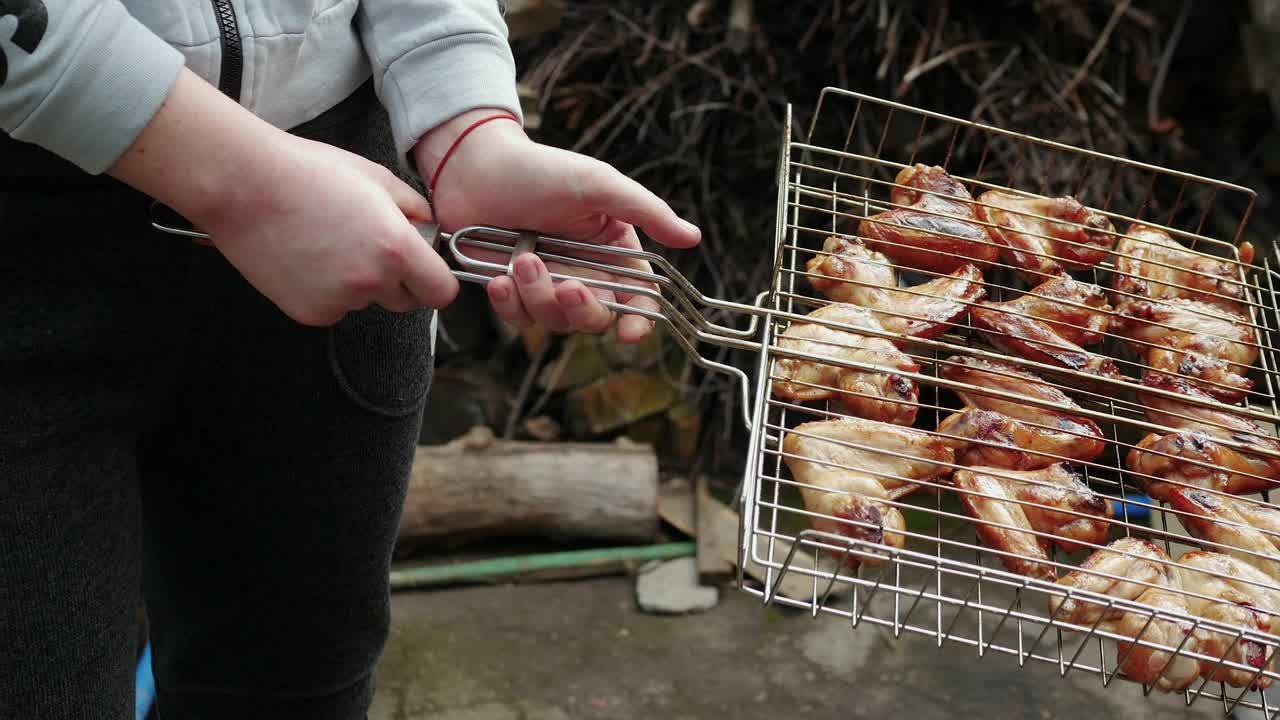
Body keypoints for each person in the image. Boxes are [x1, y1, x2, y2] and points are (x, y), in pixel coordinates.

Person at [0, 1, 700, 718]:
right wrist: (242, 184)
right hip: (25, 212)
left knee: (297, 688)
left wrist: (465, 122)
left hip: (344, 184)